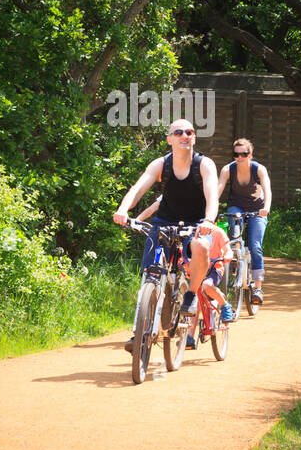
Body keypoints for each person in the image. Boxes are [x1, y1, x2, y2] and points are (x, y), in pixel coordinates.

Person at [113, 120, 219, 353]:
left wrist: (209, 220)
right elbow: (138, 188)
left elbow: (212, 194)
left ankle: (190, 293)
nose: (184, 136)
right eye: (178, 132)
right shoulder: (161, 164)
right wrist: (123, 210)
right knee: (150, 274)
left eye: (189, 132)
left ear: (194, 138)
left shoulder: (204, 164)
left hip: (196, 224)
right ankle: (138, 331)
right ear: (169, 139)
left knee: (201, 246)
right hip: (163, 222)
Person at [138, 195, 234, 347]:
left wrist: (228, 255)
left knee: (206, 287)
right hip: (194, 270)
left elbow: (228, 249)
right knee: (190, 301)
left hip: (213, 269)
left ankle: (224, 304)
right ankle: (189, 336)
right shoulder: (184, 231)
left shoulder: (216, 231)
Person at [217, 137, 271, 304]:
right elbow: (218, 189)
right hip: (237, 207)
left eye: (244, 154)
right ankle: (232, 266)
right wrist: (210, 211)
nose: (240, 158)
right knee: (233, 234)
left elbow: (267, 189)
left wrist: (266, 209)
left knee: (255, 246)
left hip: (257, 209)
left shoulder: (259, 169)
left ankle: (258, 287)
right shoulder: (227, 170)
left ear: (250, 154)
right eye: (236, 154)